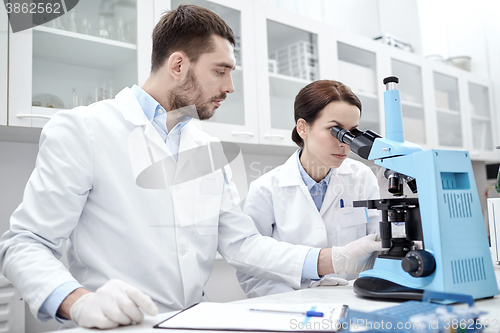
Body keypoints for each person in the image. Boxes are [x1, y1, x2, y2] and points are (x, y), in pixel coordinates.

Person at [0, 6, 382, 330]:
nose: (230, 86)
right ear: (179, 64)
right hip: (116, 324)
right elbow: (24, 244)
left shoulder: (208, 148)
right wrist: (77, 301)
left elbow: (241, 244)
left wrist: (333, 258)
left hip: (193, 319)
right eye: (221, 70)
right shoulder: (84, 129)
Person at [237, 80, 382, 298]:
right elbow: (251, 269)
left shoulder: (362, 177)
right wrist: (295, 302)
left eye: (352, 132)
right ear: (303, 128)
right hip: (290, 304)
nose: (346, 143)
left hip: (353, 299)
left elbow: (378, 248)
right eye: (336, 131)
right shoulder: (265, 189)